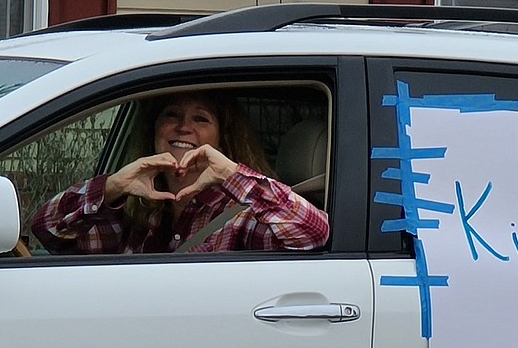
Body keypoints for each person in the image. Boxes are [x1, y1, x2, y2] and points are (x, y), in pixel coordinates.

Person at [31, 91, 329, 255]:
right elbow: (48, 230)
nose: (184, 127)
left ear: (222, 140)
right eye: (171, 114)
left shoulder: (242, 217)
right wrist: (113, 186)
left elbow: (313, 233)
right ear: (154, 129)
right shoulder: (136, 214)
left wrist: (230, 174)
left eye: (201, 119)